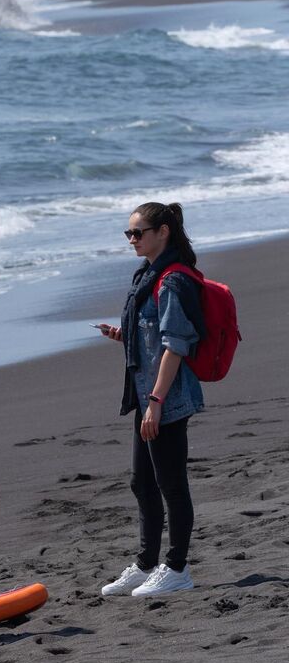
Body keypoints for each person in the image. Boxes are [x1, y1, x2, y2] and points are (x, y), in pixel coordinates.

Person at [94, 201, 203, 598]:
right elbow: (154, 335)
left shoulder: (172, 280)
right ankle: (146, 564)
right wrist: (123, 336)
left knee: (171, 483)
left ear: (163, 232)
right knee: (143, 482)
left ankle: (176, 568)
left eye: (138, 233)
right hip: (147, 395)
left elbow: (175, 345)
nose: (132, 240)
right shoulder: (148, 275)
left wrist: (156, 401)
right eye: (129, 233)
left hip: (165, 396)